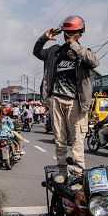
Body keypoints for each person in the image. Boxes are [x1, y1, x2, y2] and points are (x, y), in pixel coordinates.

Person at [33, 15, 99, 171]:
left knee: (77, 137)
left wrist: (74, 45)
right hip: (56, 100)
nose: (68, 36)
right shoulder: (54, 52)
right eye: (66, 33)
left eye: (72, 33)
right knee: (59, 138)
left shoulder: (83, 52)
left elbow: (95, 62)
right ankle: (61, 167)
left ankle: (77, 169)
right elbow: (36, 52)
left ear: (80, 34)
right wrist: (44, 38)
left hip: (76, 102)